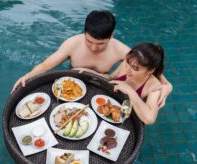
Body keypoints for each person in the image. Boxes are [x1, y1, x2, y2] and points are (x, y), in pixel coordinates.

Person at [11, 10, 172, 108]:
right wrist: (28, 76)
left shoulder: (123, 51)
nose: (94, 48)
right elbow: (46, 65)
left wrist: (166, 88)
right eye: (89, 41)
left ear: (111, 37)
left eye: (100, 44)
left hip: (102, 89)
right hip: (71, 87)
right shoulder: (72, 44)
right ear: (85, 33)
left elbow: (152, 70)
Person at [102, 42, 169, 124]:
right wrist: (91, 72)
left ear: (151, 70)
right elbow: (110, 78)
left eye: (135, 68)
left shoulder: (154, 86)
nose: (128, 70)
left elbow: (149, 119)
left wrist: (129, 90)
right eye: (127, 63)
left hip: (129, 120)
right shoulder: (126, 64)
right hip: (110, 108)